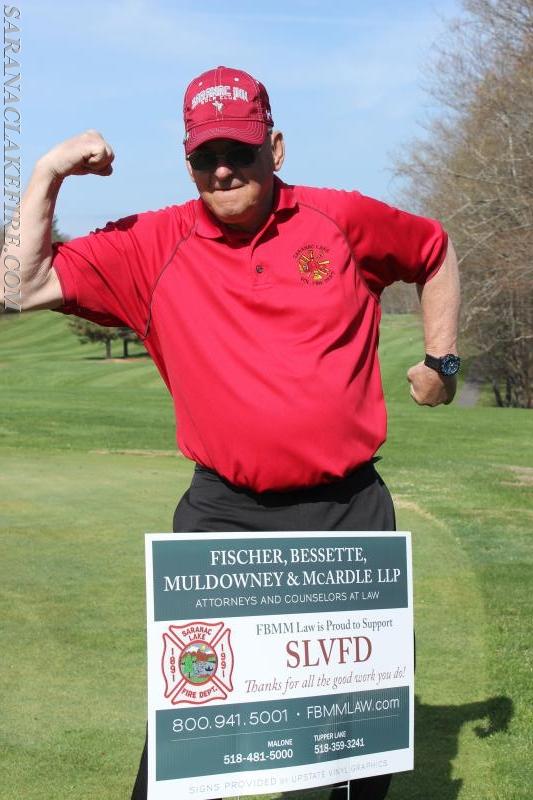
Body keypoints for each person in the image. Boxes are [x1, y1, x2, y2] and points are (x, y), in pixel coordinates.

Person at [4, 66, 460, 800]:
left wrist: (441, 361)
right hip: (224, 516)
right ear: (186, 160)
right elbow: (15, 286)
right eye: (203, 156)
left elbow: (432, 250)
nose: (221, 170)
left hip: (346, 513)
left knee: (350, 752)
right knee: (192, 743)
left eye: (239, 152)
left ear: (273, 150)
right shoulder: (150, 245)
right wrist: (50, 171)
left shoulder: (340, 220)